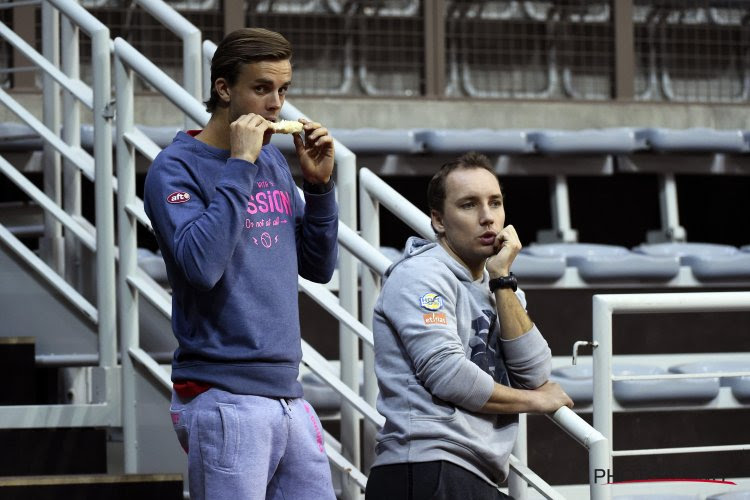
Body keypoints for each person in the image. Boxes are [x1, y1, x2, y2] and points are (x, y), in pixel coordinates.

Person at [143, 28, 338, 500]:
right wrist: (240, 164)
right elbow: (201, 266)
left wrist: (318, 189)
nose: (276, 104)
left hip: (288, 394)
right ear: (224, 89)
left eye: (283, 89)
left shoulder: (271, 161)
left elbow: (318, 266)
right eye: (262, 88)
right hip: (222, 396)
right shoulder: (174, 168)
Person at [365, 152, 573, 500]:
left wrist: (503, 280)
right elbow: (448, 375)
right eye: (468, 205)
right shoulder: (421, 274)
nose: (487, 218)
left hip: (472, 474)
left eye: (495, 203)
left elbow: (536, 372)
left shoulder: (497, 283)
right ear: (439, 220)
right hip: (427, 467)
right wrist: (535, 403)